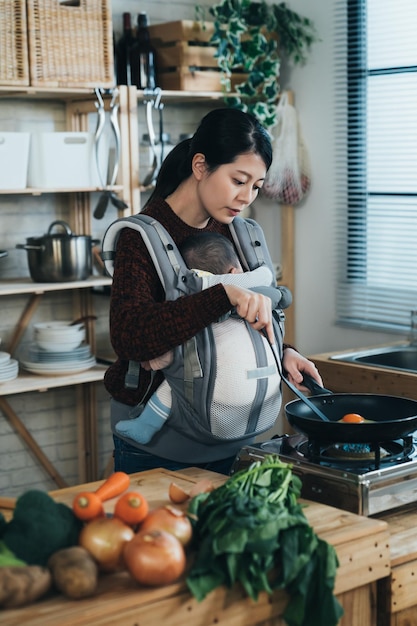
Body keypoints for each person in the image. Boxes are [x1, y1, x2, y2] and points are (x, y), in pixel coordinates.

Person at [104, 107, 323, 476]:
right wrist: (224, 295)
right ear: (201, 166)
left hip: (239, 440)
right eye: (238, 180)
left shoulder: (241, 233)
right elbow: (130, 337)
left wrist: (281, 352)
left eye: (255, 186)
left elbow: (245, 322)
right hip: (160, 450)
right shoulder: (140, 238)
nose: (246, 198)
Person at [115, 231, 280, 444]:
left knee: (174, 385)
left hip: (216, 400)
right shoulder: (259, 286)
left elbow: (175, 347)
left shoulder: (191, 295)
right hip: (262, 400)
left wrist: (166, 357)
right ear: (235, 270)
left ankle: (145, 424)